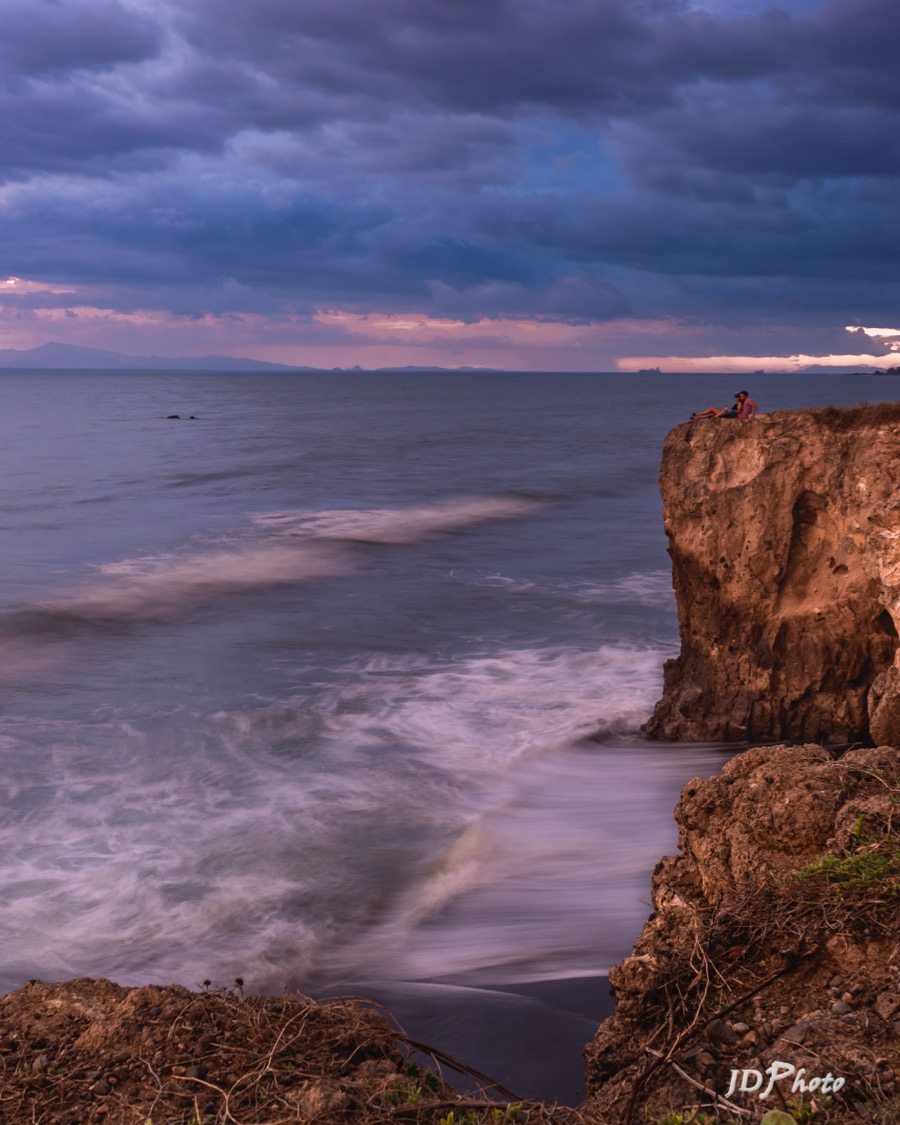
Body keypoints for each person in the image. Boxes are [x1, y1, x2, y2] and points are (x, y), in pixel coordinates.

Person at [691, 390, 757, 421]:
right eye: (739, 396)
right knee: (711, 414)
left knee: (712, 408)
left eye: (741, 396)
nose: (739, 397)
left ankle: (698, 414)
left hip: (733, 415)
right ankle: (697, 417)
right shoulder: (743, 401)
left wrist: (752, 414)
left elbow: (740, 411)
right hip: (733, 415)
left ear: (745, 396)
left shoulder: (745, 401)